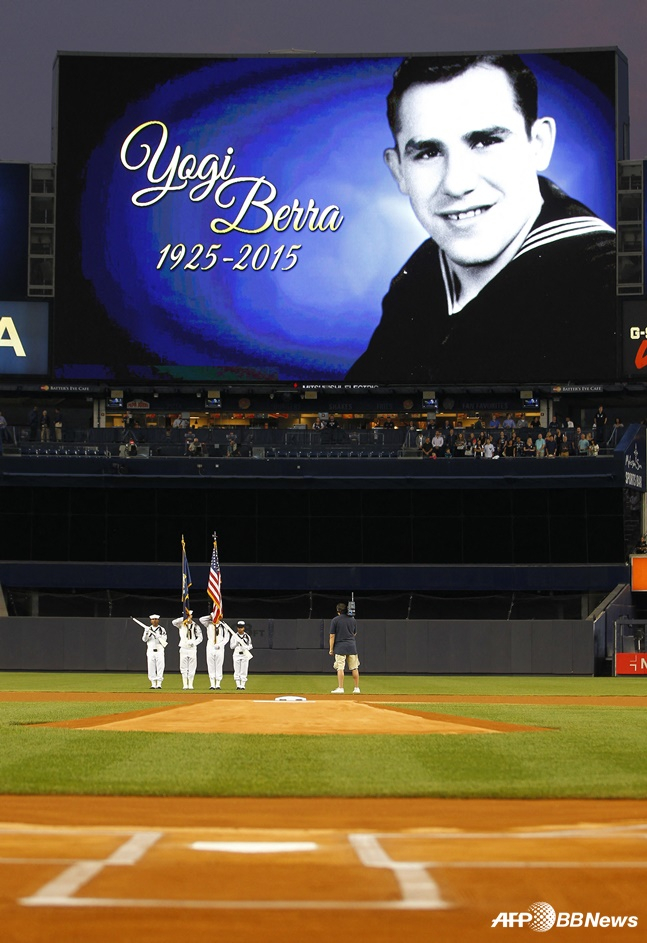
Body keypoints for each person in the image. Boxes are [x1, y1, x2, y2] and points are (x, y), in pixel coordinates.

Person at [345, 54, 615, 385]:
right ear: (399, 170)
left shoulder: (605, 284)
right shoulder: (420, 275)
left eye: (485, 141)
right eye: (428, 153)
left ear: (538, 145)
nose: (456, 184)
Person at [329, 601, 360, 694]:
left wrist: (331, 649)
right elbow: (354, 633)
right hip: (351, 646)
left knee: (340, 668)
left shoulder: (335, 620)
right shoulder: (353, 620)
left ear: (338, 611)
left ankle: (341, 688)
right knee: (354, 668)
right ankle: (356, 688)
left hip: (340, 647)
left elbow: (332, 636)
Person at [199, 612, 232, 690]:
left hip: (219, 648)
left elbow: (227, 638)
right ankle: (212, 684)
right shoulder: (209, 624)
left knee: (219, 665)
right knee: (210, 665)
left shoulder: (223, 626)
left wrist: (220, 644)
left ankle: (218, 684)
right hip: (210, 647)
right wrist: (210, 616)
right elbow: (201, 619)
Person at [172, 610, 203, 690]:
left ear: (191, 616)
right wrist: (183, 618)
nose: (188, 617)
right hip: (183, 647)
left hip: (192, 648)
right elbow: (173, 622)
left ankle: (191, 684)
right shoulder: (181, 624)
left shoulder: (195, 626)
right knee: (183, 667)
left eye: (189, 615)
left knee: (192, 667)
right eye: (186, 615)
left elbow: (200, 637)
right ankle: (185, 684)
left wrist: (194, 642)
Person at [140, 614, 168, 689]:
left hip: (159, 650)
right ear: (151, 621)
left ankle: (159, 684)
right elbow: (144, 639)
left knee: (160, 667)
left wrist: (159, 636)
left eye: (156, 619)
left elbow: (164, 639)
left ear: (158, 620)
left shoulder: (161, 629)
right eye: (153, 619)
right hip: (150, 650)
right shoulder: (148, 629)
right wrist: (146, 633)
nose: (154, 621)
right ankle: (153, 683)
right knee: (151, 667)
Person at [230, 620, 253, 690]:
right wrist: (236, 643)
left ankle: (243, 685)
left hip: (244, 654)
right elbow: (231, 647)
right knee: (237, 670)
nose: (240, 629)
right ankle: (238, 685)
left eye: (241, 627)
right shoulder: (234, 636)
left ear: (244, 628)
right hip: (237, 654)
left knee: (244, 670)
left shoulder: (247, 636)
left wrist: (247, 647)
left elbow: (250, 645)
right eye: (239, 627)